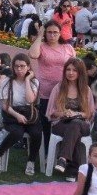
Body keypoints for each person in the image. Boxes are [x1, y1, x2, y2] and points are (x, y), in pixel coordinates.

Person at [29, 20, 76, 158]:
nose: (52, 35)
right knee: (47, 121)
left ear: (60, 33)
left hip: (65, 90)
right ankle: (47, 152)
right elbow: (32, 54)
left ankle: (63, 151)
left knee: (63, 119)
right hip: (46, 90)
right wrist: (40, 35)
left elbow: (74, 66)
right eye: (49, 32)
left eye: (55, 32)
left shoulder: (67, 48)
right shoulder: (42, 46)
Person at [0, 53, 40, 176]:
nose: (19, 69)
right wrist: (17, 115)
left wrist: (28, 80)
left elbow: (30, 100)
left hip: (29, 114)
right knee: (17, 133)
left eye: (22, 66)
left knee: (36, 133)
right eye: (16, 66)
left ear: (28, 67)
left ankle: (31, 161)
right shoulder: (7, 81)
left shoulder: (34, 82)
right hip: (11, 114)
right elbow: (5, 105)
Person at [47, 58, 95, 177]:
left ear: (80, 73)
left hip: (82, 124)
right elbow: (51, 112)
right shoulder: (58, 88)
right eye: (68, 69)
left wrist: (76, 115)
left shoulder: (86, 90)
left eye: (74, 70)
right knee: (74, 129)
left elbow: (89, 113)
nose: (71, 73)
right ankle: (72, 171)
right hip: (61, 124)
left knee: (76, 123)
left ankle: (63, 158)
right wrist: (63, 113)